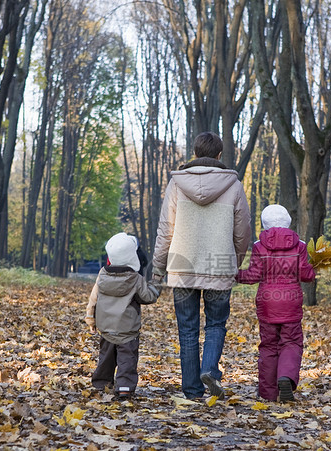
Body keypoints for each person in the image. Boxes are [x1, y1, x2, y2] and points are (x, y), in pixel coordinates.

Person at [152, 132, 251, 399]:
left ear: (195, 154)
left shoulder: (176, 185)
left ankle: (193, 390)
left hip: (182, 269)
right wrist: (235, 263)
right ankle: (209, 369)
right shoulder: (233, 186)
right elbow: (242, 232)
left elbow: (166, 231)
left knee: (187, 330)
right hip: (219, 267)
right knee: (216, 324)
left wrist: (157, 269)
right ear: (219, 156)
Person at [236, 205, 315, 402]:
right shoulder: (300, 245)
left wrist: (235, 275)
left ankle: (268, 393)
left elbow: (254, 275)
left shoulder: (258, 245)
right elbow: (306, 275)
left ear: (264, 223)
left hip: (267, 302)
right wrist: (313, 268)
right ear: (288, 221)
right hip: (291, 301)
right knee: (291, 341)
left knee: (269, 346)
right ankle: (286, 376)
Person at [85, 232, 160, 399]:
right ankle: (124, 386)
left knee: (106, 357)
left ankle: (102, 383)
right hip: (127, 329)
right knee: (127, 358)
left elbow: (93, 298)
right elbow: (148, 297)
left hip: (105, 327)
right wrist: (155, 285)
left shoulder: (102, 274)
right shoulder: (135, 278)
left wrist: (91, 318)